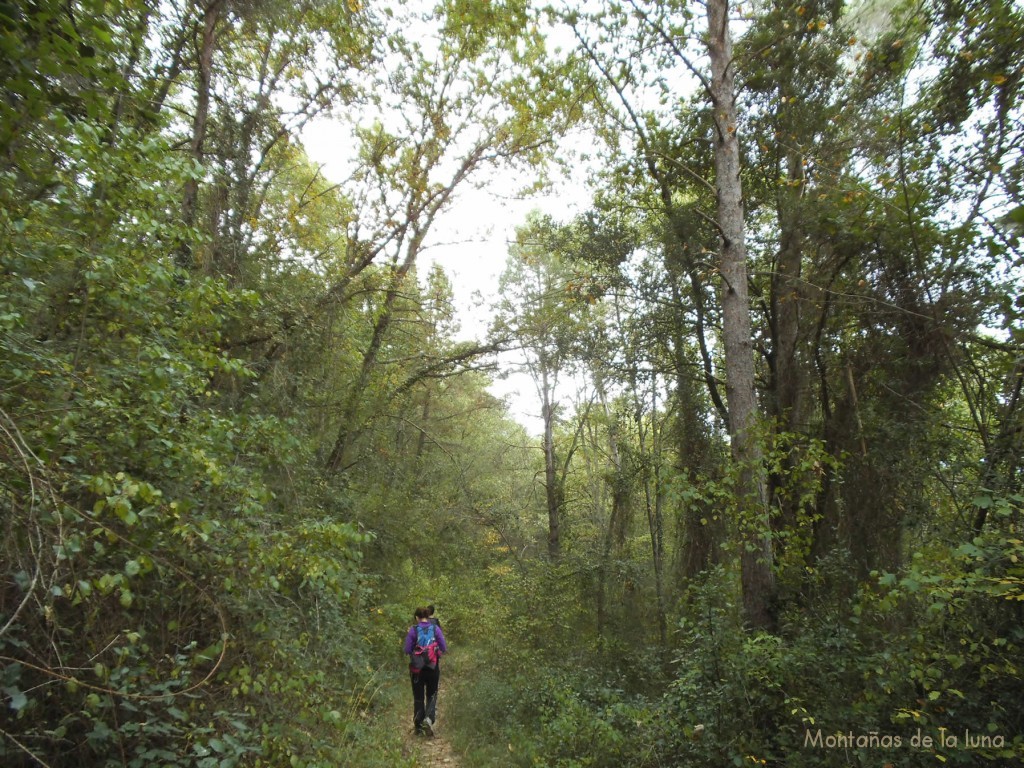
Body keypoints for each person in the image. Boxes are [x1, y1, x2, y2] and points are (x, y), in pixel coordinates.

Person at [404, 606, 447, 736]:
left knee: (418, 696)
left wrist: (416, 652)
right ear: (428, 616)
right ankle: (429, 720)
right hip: (433, 668)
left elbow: (407, 650)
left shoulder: (413, 630)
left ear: (416, 617)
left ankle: (418, 726)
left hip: (417, 669)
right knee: (432, 694)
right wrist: (436, 653)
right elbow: (443, 647)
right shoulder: (435, 629)